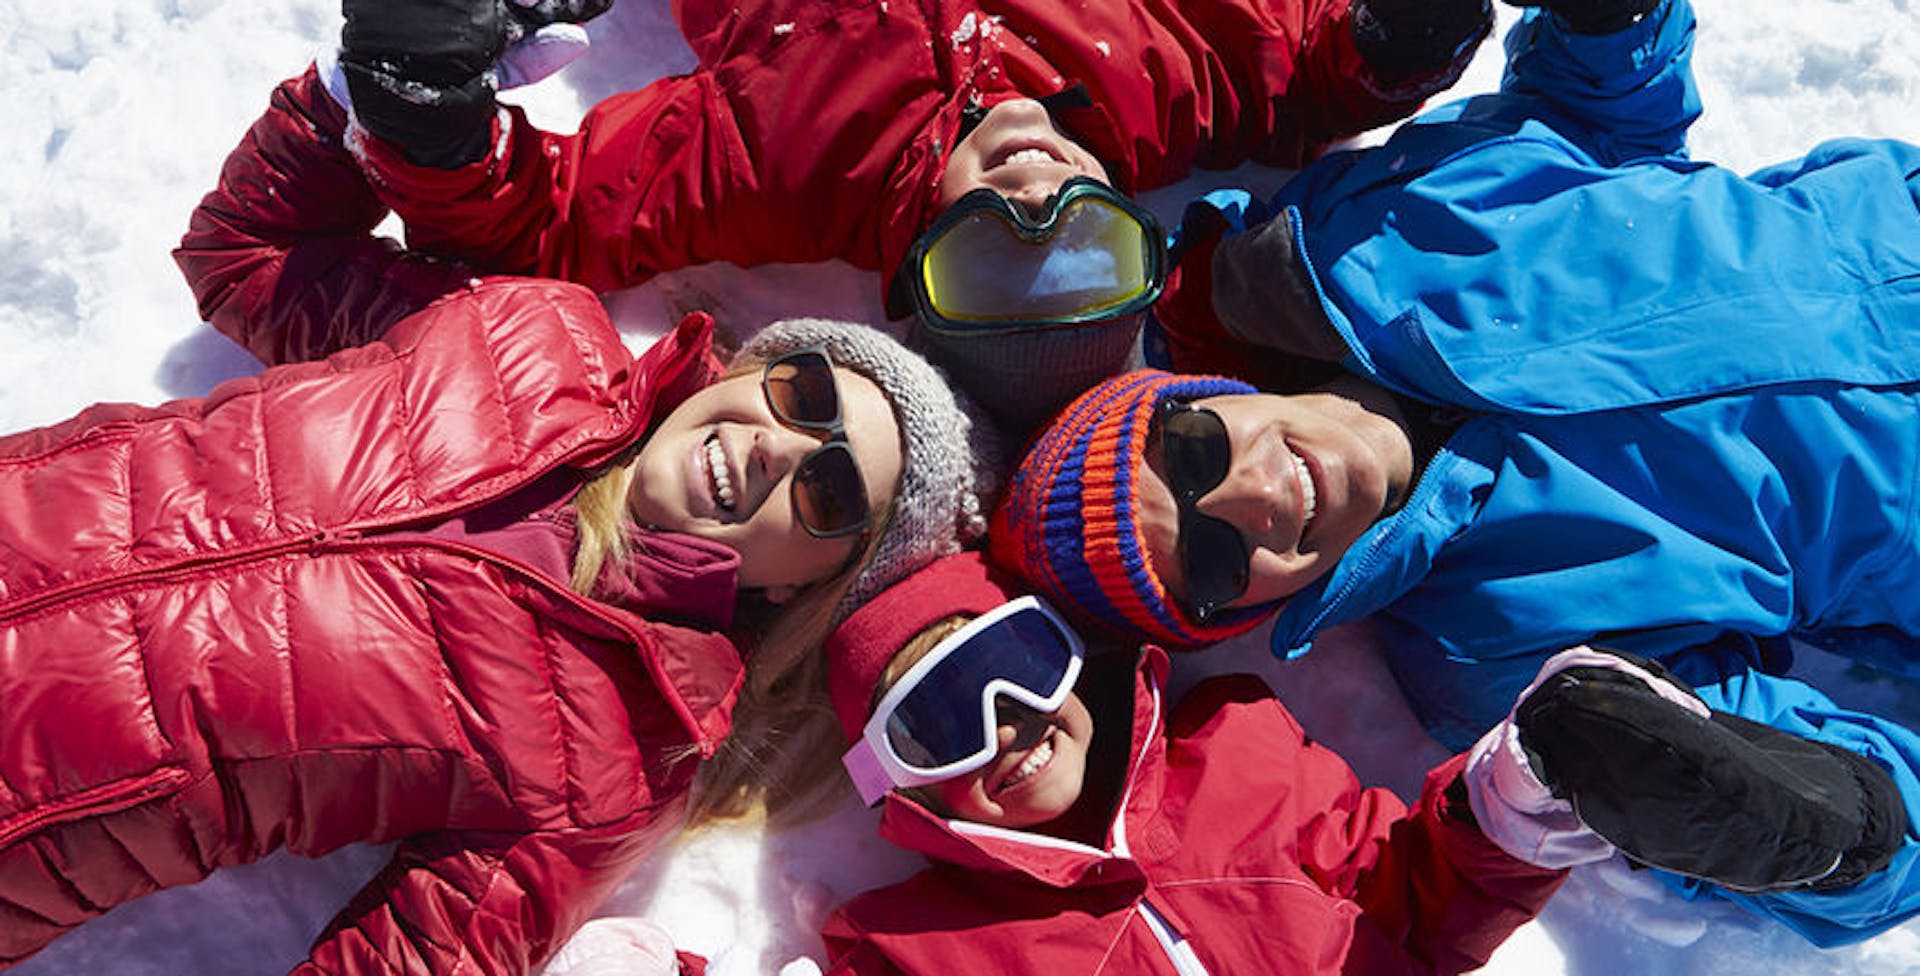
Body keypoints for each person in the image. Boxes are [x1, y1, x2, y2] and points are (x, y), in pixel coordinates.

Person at [0, 68, 998, 976]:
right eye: (804, 390)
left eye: (830, 495)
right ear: (756, 367)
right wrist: (373, 89)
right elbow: (249, 253)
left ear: (798, 586)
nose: (784, 447)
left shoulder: (607, 756)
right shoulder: (527, 334)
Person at [988, 0, 1920, 946]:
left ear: (1201, 392)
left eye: (1190, 454)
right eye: (1217, 563)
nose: (1251, 498)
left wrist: (1607, 24)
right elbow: (1800, 781)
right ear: (1247, 615)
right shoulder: (1501, 651)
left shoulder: (1364, 233)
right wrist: (1838, 830)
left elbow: (1595, 117)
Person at [325, 0, 1497, 428]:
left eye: (996, 251)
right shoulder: (1159, 93)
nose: (1037, 193)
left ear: (911, 275)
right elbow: (1303, 80)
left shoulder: (784, 160)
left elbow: (548, 221)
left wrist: (423, 115)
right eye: (1088, 235)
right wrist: (1392, 49)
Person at [803, 552, 1893, 973]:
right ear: (897, 788)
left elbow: (1410, 896)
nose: (1008, 721)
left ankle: (1620, 748)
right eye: (938, 723)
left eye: (1017, 665)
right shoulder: (918, 944)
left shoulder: (1235, 751)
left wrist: (1503, 808)